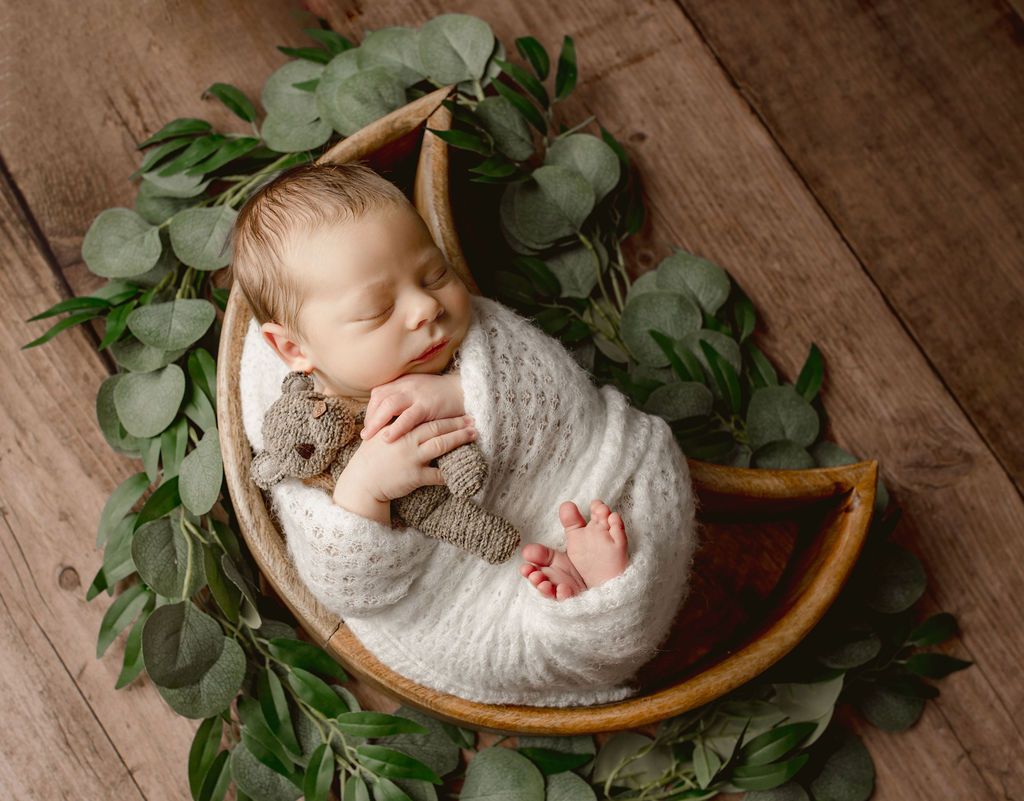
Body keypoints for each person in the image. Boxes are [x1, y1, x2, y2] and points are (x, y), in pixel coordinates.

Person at [229, 160, 698, 706]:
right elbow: (346, 587)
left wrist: (466, 394)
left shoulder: (478, 339)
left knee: (656, 463)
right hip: (465, 596)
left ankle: (611, 588)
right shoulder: (305, 439)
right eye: (378, 311)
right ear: (294, 349)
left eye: (433, 275)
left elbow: (567, 399)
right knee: (514, 648)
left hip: (586, 477)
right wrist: (364, 492)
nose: (426, 307)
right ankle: (588, 613)